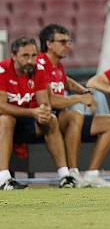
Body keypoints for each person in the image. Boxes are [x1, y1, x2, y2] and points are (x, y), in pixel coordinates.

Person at [37, 24, 110, 188]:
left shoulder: (57, 65)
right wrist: (80, 99)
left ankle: (92, 174)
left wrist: (85, 91)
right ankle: (72, 172)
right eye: (62, 41)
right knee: (75, 115)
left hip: (60, 118)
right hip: (42, 120)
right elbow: (48, 101)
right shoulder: (40, 64)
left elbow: (65, 82)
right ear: (49, 44)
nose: (68, 45)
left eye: (68, 41)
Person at [0, 38, 78, 189]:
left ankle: (65, 176)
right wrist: (32, 112)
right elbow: (1, 107)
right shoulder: (2, 70)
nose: (31, 60)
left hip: (26, 120)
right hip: (4, 125)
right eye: (25, 56)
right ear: (13, 56)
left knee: (51, 120)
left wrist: (44, 111)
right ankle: (3, 178)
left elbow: (44, 101)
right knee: (6, 120)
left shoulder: (38, 69)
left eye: (34, 55)